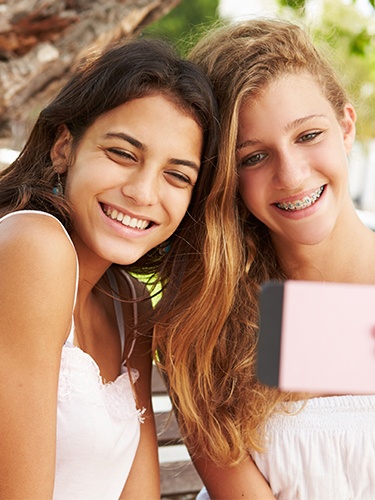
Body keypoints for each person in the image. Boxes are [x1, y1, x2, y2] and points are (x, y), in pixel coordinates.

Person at [153, 18, 375, 499]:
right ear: (226, 177)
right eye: (253, 157)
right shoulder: (205, 322)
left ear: (345, 127)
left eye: (308, 135)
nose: (292, 176)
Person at [0, 36, 220, 499]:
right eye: (123, 153)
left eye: (177, 175)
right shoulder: (32, 246)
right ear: (64, 147)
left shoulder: (130, 306)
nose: (143, 192)